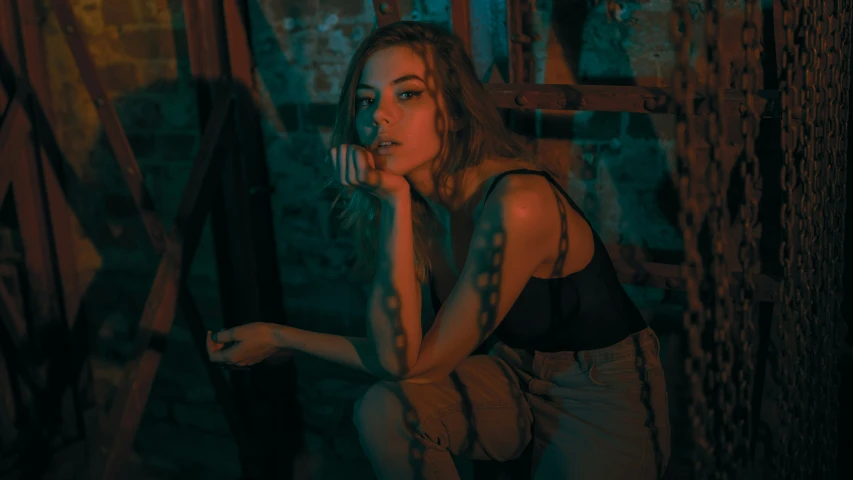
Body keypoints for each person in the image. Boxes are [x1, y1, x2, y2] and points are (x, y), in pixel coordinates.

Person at [207, 21, 670, 479]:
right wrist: (277, 335)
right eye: (367, 100)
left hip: (601, 391)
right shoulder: (416, 206)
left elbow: (423, 365)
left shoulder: (518, 204)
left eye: (407, 94)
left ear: (453, 111)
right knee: (386, 409)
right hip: (512, 376)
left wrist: (392, 200)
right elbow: (400, 360)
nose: (378, 116)